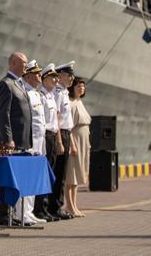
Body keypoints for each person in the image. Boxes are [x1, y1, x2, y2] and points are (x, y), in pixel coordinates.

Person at [0, 51, 32, 225]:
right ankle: (3, 216)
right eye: (24, 63)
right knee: (6, 179)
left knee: (15, 179)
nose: (26, 65)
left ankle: (13, 214)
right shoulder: (6, 84)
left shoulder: (18, 84)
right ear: (13, 63)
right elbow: (3, 114)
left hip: (21, 141)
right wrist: (8, 139)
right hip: (10, 142)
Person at [14, 60, 46, 226]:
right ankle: (20, 213)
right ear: (27, 76)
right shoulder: (24, 93)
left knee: (33, 177)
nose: (40, 76)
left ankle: (29, 211)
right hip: (29, 141)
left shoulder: (37, 93)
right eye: (36, 74)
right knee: (25, 177)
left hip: (39, 141)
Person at [33, 63, 62, 223]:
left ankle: (46, 207)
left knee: (50, 175)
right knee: (43, 174)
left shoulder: (51, 97)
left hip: (52, 137)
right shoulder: (41, 97)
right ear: (44, 79)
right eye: (53, 77)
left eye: (57, 77)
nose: (56, 80)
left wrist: (58, 141)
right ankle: (40, 209)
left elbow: (55, 123)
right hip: (45, 138)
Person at [48, 61, 75, 220]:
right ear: (60, 76)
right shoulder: (58, 92)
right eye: (68, 75)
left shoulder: (64, 92)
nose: (72, 78)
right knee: (57, 172)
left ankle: (58, 205)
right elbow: (56, 118)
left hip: (66, 134)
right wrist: (59, 141)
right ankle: (54, 206)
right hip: (59, 134)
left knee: (62, 173)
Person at [64, 77, 91, 217]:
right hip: (75, 142)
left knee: (76, 177)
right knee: (71, 175)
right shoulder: (71, 104)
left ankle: (74, 204)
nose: (81, 88)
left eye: (83, 86)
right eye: (78, 86)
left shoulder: (80, 103)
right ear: (72, 88)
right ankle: (69, 205)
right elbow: (69, 127)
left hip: (83, 142)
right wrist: (73, 144)